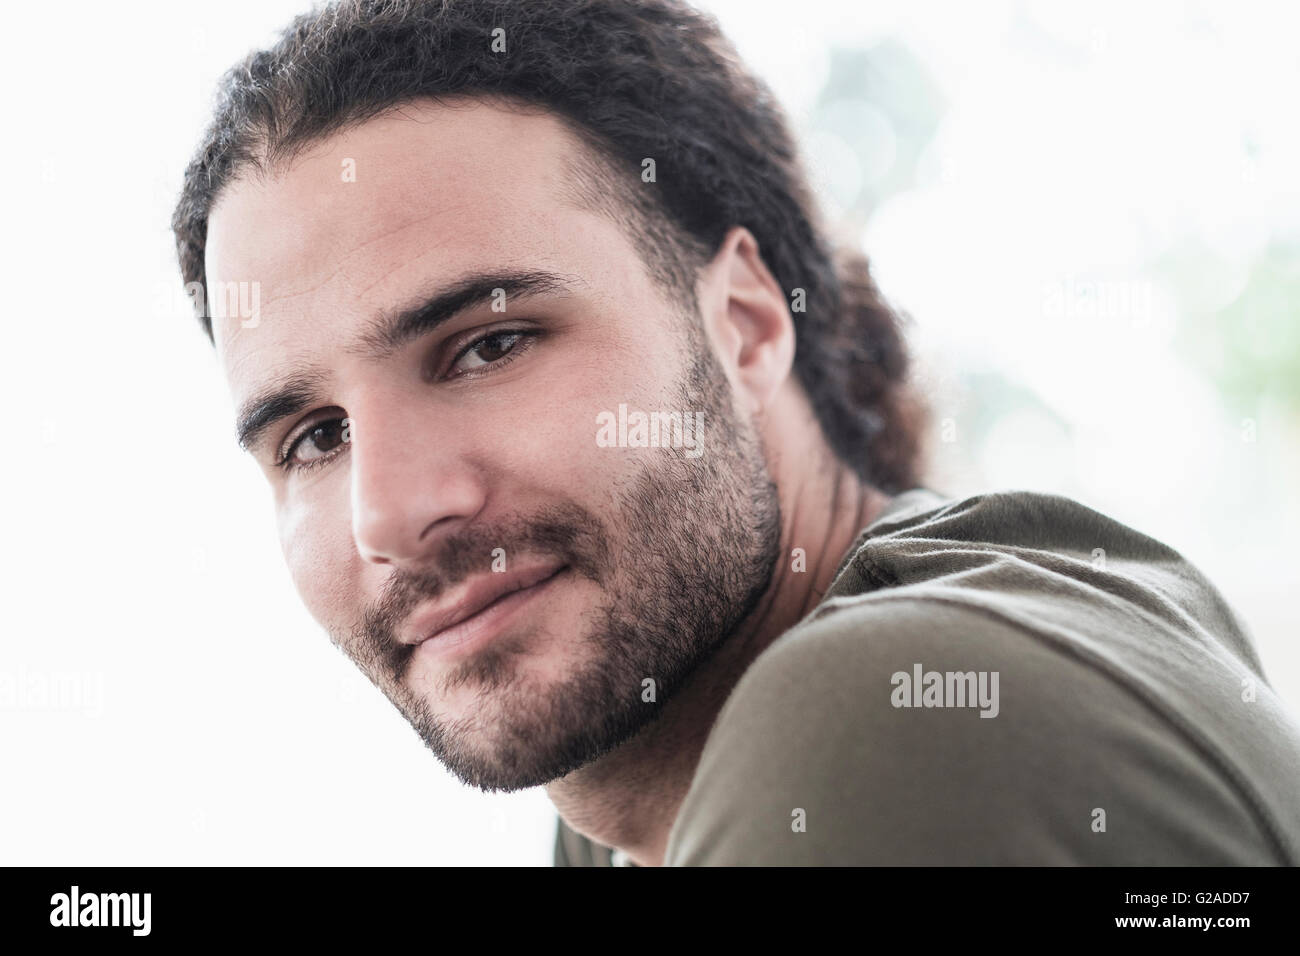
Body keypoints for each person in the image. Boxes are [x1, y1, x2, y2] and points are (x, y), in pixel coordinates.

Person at [171, 0, 1300, 865]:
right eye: (314, 436)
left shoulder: (882, 716)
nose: (392, 512)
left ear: (749, 324)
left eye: (489, 344)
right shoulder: (630, 800)